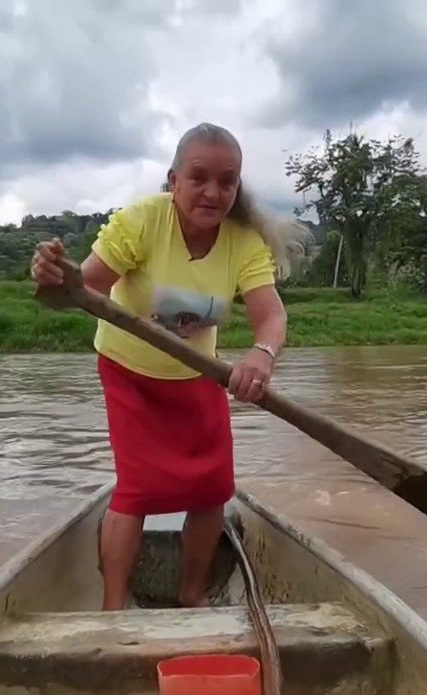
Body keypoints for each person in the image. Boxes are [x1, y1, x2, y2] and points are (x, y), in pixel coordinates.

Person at [30, 122, 311, 610]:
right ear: (173, 180)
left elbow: (271, 316)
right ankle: (113, 608)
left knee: (212, 488)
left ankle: (191, 592)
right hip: (129, 372)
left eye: (227, 181)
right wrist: (57, 279)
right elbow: (78, 293)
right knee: (137, 490)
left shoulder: (242, 242)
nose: (213, 192)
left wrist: (260, 357)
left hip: (198, 376)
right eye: (198, 177)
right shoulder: (141, 221)